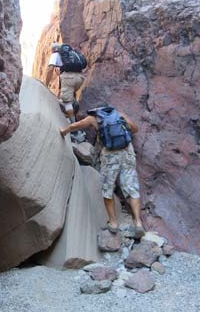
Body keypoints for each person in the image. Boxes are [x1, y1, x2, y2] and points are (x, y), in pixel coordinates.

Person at [59, 104, 145, 236]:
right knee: (132, 187)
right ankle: (138, 223)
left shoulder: (93, 118)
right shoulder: (118, 114)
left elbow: (75, 126)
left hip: (110, 154)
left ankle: (113, 223)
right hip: (127, 151)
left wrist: (64, 131)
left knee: (107, 189)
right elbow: (134, 128)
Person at [48, 42, 85, 124]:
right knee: (71, 97)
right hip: (80, 77)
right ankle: (73, 115)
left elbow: (50, 68)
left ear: (53, 49)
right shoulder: (70, 55)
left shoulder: (55, 55)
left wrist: (45, 83)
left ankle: (74, 125)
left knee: (66, 102)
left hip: (69, 78)